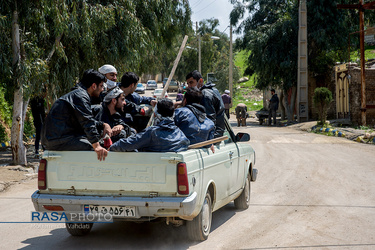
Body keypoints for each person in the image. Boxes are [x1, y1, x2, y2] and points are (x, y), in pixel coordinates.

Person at [41, 69, 111, 161]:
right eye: (101, 86)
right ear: (94, 86)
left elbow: (84, 119)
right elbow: (87, 122)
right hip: (57, 140)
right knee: (93, 148)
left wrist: (103, 125)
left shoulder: (78, 94)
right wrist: (97, 146)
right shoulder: (80, 96)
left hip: (58, 138)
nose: (102, 90)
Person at [110, 98, 189, 152]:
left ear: (156, 114)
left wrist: (111, 147)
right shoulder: (179, 133)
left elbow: (127, 144)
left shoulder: (152, 133)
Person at [185, 70, 225, 138]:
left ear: (200, 81)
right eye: (188, 84)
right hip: (217, 133)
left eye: (191, 82)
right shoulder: (213, 90)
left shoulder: (205, 95)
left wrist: (209, 139)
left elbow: (209, 119)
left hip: (213, 136)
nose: (189, 86)